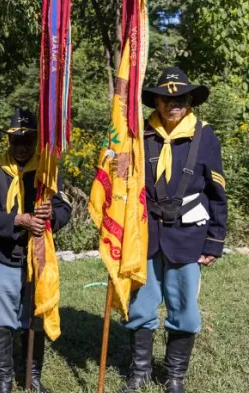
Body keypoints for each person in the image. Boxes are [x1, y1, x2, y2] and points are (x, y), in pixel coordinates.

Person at [117, 67, 227, 393]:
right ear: (157, 102)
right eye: (166, 99)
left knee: (185, 310)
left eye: (179, 98)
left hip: (188, 236)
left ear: (189, 100)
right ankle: (139, 374)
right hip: (146, 234)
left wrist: (214, 241)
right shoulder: (140, 135)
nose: (172, 105)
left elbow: (216, 192)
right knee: (140, 306)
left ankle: (175, 377)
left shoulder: (205, 136)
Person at [0, 109, 72, 393]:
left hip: (37, 256)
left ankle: (31, 376)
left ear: (36, 141)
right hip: (3, 254)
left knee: (34, 316)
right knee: (2, 319)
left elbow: (64, 207)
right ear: (9, 140)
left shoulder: (47, 170)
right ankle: (4, 380)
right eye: (16, 140)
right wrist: (18, 220)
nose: (21, 146)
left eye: (28, 140)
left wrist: (50, 216)